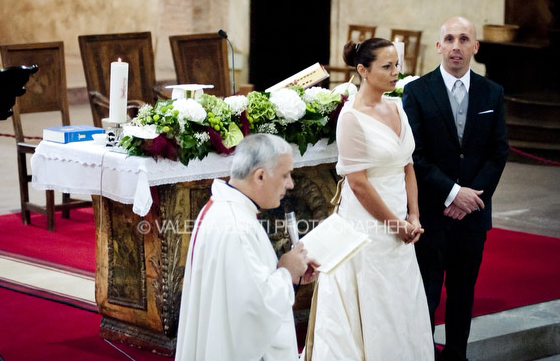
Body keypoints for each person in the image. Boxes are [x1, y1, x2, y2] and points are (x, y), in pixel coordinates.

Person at [309, 37, 434, 359]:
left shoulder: (397, 107)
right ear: (363, 70)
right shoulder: (351, 117)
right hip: (369, 225)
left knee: (401, 296)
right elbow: (359, 183)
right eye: (387, 66)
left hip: (402, 223)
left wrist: (414, 216)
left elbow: (408, 166)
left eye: (397, 66)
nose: (395, 73)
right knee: (375, 297)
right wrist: (395, 224)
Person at [402, 16, 508, 361]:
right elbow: (414, 154)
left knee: (463, 294)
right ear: (438, 46)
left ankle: (457, 355)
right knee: (428, 293)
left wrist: (469, 197)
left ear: (475, 47)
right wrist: (451, 193)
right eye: (449, 39)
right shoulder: (417, 91)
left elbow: (498, 151)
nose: (456, 46)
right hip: (432, 211)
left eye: (464, 39)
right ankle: (424, 353)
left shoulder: (492, 92)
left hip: (473, 214)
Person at [175, 133, 318, 361]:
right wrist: (286, 272)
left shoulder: (222, 208)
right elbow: (253, 311)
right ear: (260, 176)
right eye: (285, 175)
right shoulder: (238, 227)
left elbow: (237, 292)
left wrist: (289, 276)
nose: (290, 184)